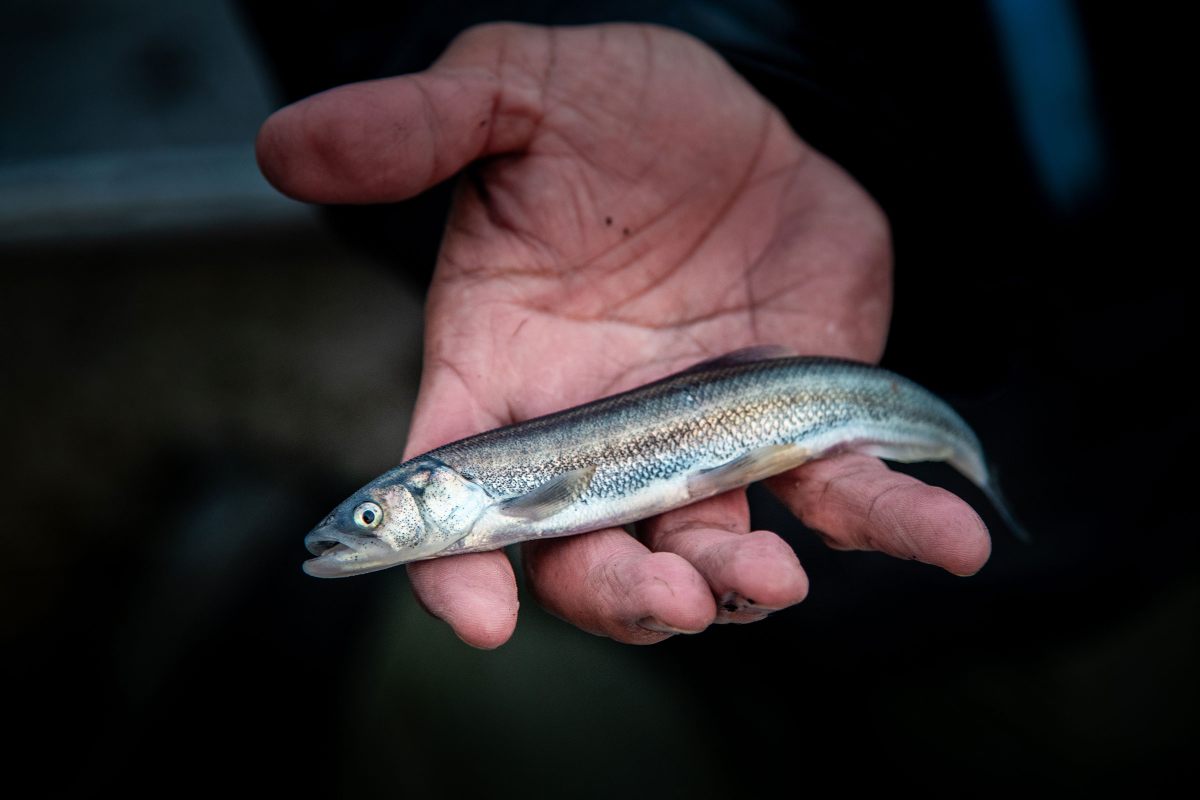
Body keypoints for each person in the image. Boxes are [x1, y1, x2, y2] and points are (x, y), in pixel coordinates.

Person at [255, 22, 992, 648]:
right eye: (369, 519)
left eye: (373, 516)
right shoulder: (485, 506)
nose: (360, 530)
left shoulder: (507, 505)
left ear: (432, 490)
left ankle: (970, 462)